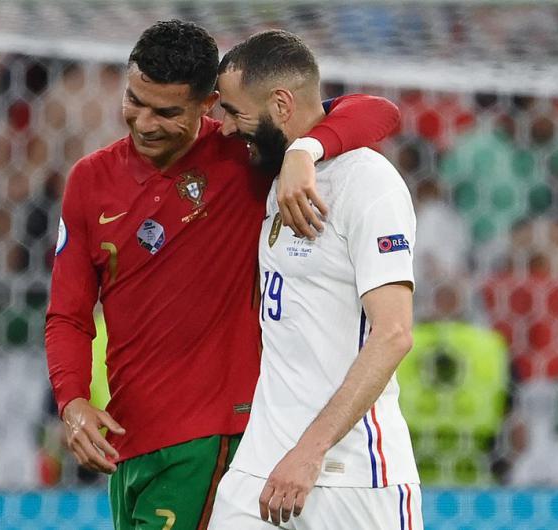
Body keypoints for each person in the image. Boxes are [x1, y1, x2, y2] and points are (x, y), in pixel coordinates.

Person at [45, 20, 401, 530]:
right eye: (134, 101)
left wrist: (306, 150)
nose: (143, 123)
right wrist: (74, 400)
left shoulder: (242, 156)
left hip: (214, 439)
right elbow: (67, 315)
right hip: (130, 439)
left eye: (166, 112)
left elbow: (378, 112)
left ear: (207, 104)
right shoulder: (90, 180)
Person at [209, 30, 422, 529]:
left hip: (353, 477)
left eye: (235, 113)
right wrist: (302, 152)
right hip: (260, 467)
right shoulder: (278, 179)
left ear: (281, 104)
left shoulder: (369, 183)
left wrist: (310, 451)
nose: (224, 128)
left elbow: (393, 335)